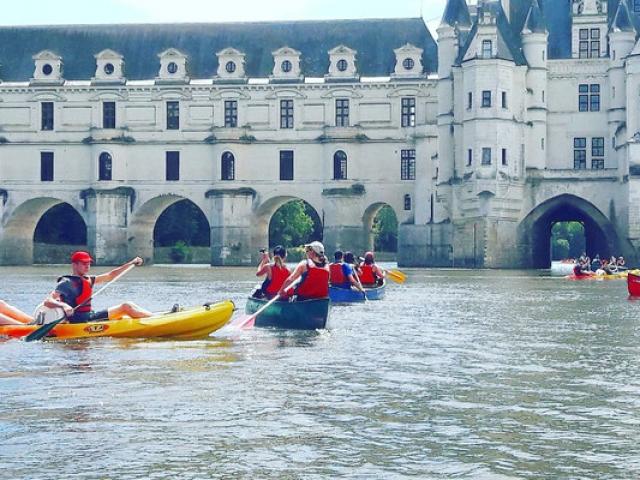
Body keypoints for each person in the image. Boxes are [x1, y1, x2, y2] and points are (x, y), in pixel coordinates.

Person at [43, 251, 152, 324]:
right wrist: (64, 306)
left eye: (89, 263)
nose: (87, 266)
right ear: (75, 265)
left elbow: (111, 275)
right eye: (84, 263)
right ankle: (155, 321)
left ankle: (155, 318)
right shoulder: (66, 282)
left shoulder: (89, 279)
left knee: (128, 306)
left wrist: (131, 263)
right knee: (126, 307)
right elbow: (48, 301)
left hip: (90, 316)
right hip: (80, 322)